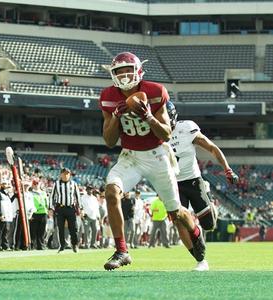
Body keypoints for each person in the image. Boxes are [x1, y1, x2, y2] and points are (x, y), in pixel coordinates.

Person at [99, 51, 206, 270]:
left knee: (177, 214)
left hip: (157, 155)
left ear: (138, 71)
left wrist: (148, 116)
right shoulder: (108, 96)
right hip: (130, 156)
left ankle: (195, 234)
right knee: (111, 192)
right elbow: (109, 141)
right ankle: (122, 251)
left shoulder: (155, 91)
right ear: (113, 74)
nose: (125, 75)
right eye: (119, 71)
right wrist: (117, 116)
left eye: (128, 70)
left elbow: (166, 134)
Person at [167, 101, 239, 270]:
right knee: (178, 221)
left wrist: (227, 169)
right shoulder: (153, 132)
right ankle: (199, 258)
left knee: (209, 225)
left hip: (193, 180)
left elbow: (212, 148)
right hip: (171, 183)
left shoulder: (186, 128)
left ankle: (210, 201)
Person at [51, 168, 81, 253]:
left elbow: (77, 196)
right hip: (60, 208)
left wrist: (80, 208)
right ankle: (62, 245)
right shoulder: (56, 184)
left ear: (70, 175)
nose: (66, 175)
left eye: (68, 174)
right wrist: (51, 208)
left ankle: (74, 245)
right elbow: (52, 196)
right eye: (64, 174)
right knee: (60, 228)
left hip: (71, 208)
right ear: (61, 174)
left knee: (73, 228)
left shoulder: (73, 184)